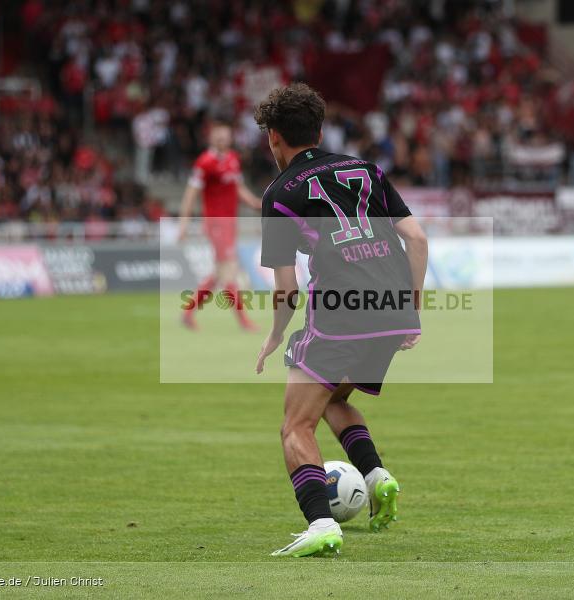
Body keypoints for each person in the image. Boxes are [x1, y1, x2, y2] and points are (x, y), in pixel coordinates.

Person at [253, 84, 428, 557]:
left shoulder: (280, 194)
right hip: (391, 309)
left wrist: (273, 336)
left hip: (342, 312)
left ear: (274, 137)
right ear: (320, 129)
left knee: (295, 426)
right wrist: (411, 309)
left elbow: (287, 289)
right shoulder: (365, 169)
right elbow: (416, 238)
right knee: (330, 399)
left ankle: (321, 523)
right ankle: (376, 477)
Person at [177, 123, 262, 331]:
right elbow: (190, 194)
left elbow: (239, 188)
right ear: (211, 139)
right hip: (216, 223)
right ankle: (244, 321)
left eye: (226, 137)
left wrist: (258, 204)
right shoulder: (205, 163)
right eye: (219, 138)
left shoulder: (233, 158)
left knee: (218, 273)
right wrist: (184, 224)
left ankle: (188, 313)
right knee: (229, 271)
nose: (222, 141)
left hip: (230, 222)